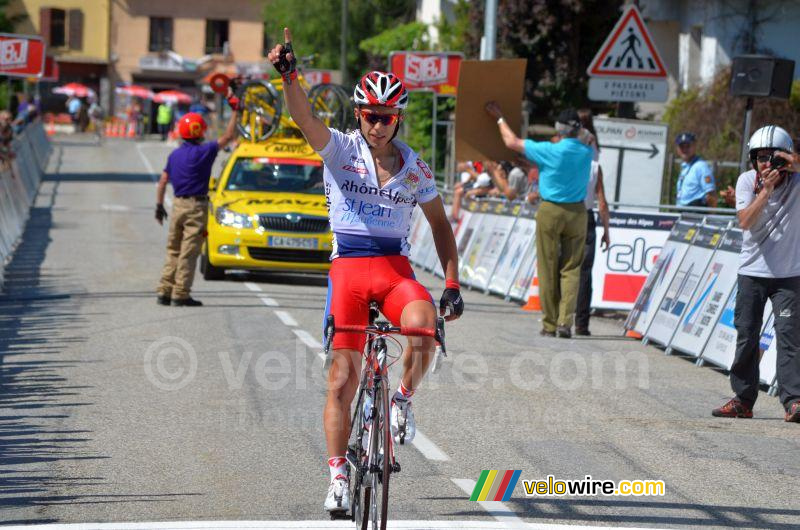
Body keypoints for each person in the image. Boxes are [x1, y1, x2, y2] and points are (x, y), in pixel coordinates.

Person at [268, 28, 463, 513]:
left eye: (387, 118)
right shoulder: (339, 149)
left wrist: (452, 284)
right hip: (349, 269)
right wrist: (291, 76)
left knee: (424, 330)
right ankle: (337, 477)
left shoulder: (415, 168)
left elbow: (440, 227)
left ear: (398, 119)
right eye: (371, 117)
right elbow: (303, 116)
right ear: (359, 115)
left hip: (394, 269)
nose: (378, 125)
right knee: (341, 379)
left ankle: (401, 398)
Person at [712, 125, 800, 423]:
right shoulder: (747, 181)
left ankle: (794, 401)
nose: (767, 164)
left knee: (790, 338)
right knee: (747, 334)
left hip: (789, 275)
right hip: (752, 272)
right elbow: (746, 221)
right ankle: (743, 399)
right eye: (761, 158)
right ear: (752, 160)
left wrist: (792, 161)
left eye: (773, 158)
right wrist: (766, 191)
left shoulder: (797, 180)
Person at [486, 102, 592, 338]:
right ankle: (566, 322)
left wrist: (500, 118)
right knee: (572, 269)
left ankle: (550, 323)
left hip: (551, 209)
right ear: (578, 129)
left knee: (548, 266)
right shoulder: (587, 152)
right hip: (577, 211)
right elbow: (588, 137)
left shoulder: (549, 150)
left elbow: (511, 142)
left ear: (558, 128)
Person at [155, 90, 239, 307]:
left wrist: (158, 205)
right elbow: (228, 136)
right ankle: (180, 294)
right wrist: (236, 111)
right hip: (196, 207)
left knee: (173, 249)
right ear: (201, 131)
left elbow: (163, 181)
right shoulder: (206, 151)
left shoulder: (174, 155)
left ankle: (164, 290)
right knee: (189, 252)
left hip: (177, 205)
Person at [574, 160, 611, 336]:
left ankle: (558, 319)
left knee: (562, 267)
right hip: (585, 216)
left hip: (565, 212)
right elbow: (602, 202)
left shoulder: (563, 157)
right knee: (585, 272)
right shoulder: (595, 167)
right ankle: (581, 324)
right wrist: (606, 230)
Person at [675, 132, 717, 207]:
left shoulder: (701, 166)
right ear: (677, 148)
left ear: (694, 146)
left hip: (695, 214)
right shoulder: (685, 167)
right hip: (683, 212)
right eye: (681, 146)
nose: (684, 149)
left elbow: (711, 195)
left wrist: (710, 216)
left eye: (688, 146)